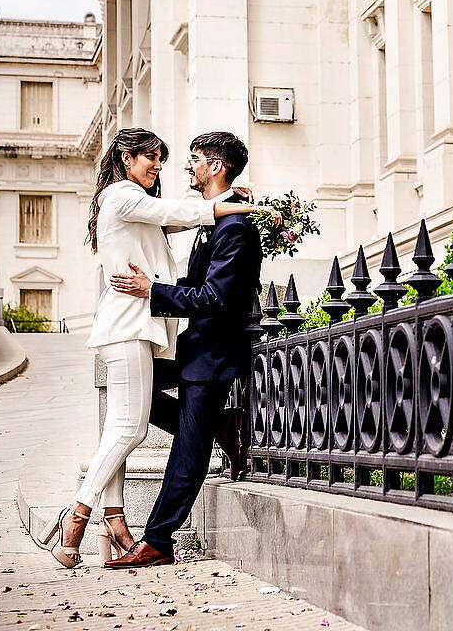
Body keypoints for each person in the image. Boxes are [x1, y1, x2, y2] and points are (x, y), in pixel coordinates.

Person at [36, 128, 275, 570]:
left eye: (190, 158)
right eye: (153, 157)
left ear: (216, 166)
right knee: (132, 426)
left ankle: (132, 525)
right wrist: (238, 205)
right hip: (133, 327)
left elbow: (185, 228)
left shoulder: (225, 227)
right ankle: (85, 516)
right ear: (126, 159)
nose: (170, 166)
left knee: (140, 425)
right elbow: (176, 213)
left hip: (173, 338)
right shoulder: (122, 195)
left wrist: (242, 207)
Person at [100, 130, 262, 569]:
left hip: (215, 356)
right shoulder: (216, 221)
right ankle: (224, 428)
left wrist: (152, 291)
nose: (186, 167)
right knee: (139, 399)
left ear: (216, 167)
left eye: (194, 159)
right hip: (195, 347)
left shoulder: (237, 229)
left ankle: (157, 541)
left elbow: (214, 297)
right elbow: (177, 232)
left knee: (188, 454)